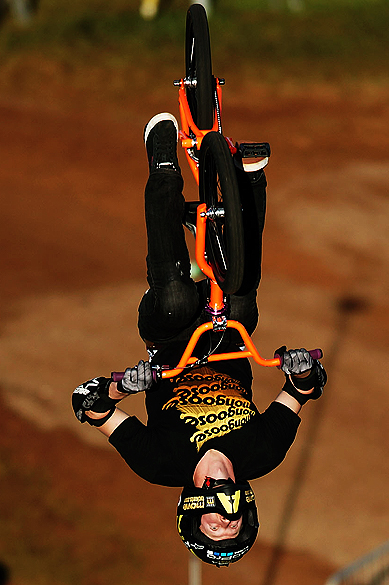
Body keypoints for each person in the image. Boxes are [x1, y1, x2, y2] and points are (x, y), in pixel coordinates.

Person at [72, 113, 327, 567]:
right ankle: (249, 182)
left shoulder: (159, 465)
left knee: (171, 297)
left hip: (169, 341)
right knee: (243, 302)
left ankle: (163, 165)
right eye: (233, 524)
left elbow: (88, 406)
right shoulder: (262, 455)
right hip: (227, 337)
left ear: (193, 513)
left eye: (215, 525)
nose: (224, 519)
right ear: (246, 510)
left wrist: (122, 386)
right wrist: (302, 369)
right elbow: (301, 393)